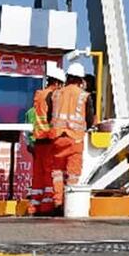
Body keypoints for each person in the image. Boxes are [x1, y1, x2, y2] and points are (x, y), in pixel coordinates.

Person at [47, 61, 94, 214]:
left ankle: (58, 203)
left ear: (68, 77)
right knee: (73, 174)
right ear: (81, 80)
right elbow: (90, 120)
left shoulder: (55, 94)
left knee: (57, 172)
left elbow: (49, 117)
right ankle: (70, 204)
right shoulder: (84, 96)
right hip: (75, 139)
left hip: (57, 139)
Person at [27, 62, 64, 216]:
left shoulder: (39, 95)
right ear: (57, 82)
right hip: (49, 140)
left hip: (38, 140)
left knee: (38, 175)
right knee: (49, 174)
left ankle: (34, 206)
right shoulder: (53, 96)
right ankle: (47, 206)